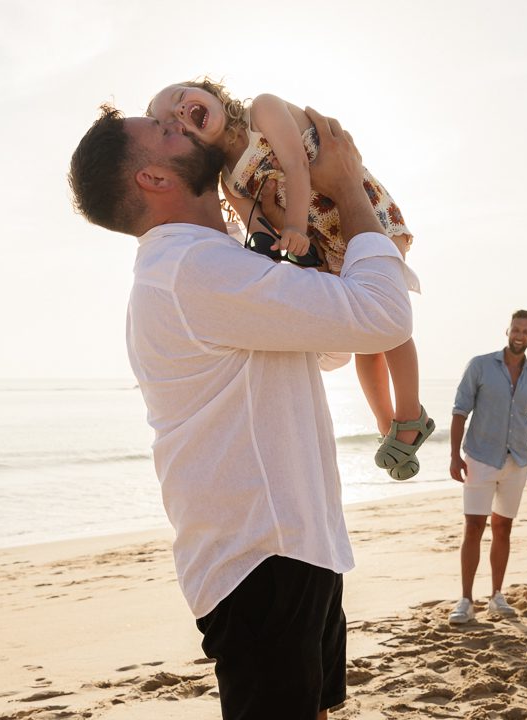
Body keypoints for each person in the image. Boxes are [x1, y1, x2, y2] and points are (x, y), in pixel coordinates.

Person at [68, 104, 415, 720]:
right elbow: (382, 318)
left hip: (292, 542)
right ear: (153, 179)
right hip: (261, 557)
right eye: (166, 132)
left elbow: (330, 348)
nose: (181, 123)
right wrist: (348, 187)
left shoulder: (215, 258)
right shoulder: (192, 268)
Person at [147, 79, 433, 481]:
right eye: (171, 124)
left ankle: (410, 413)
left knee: (390, 320)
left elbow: (297, 164)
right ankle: (387, 426)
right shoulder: (228, 179)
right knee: (366, 338)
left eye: (181, 99)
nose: (179, 113)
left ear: (209, 91)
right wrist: (287, 246)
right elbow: (259, 226)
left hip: (363, 212)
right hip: (323, 239)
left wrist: (295, 224)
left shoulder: (261, 111)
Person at [447, 310, 527, 624]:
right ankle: (466, 600)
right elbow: (459, 411)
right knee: (474, 528)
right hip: (479, 458)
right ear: (508, 330)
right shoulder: (480, 366)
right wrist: (454, 456)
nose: (520, 335)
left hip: (516, 463)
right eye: (516, 329)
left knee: (504, 528)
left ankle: (496, 596)